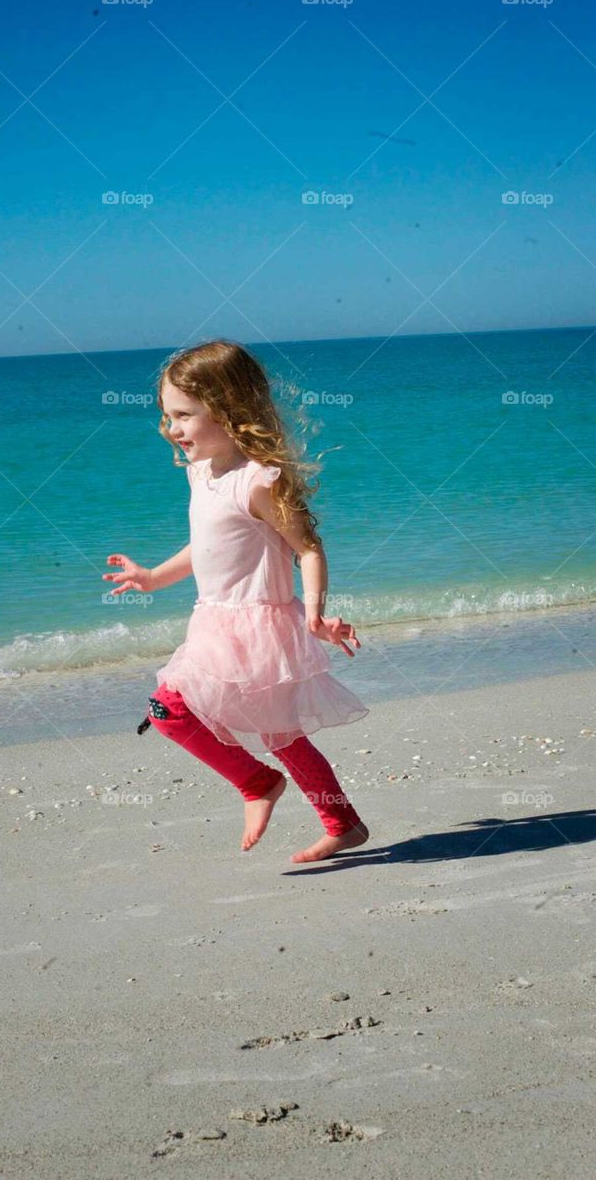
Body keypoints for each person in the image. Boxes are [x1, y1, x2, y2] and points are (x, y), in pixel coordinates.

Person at [104, 339, 370, 864]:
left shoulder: (258, 481)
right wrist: (155, 577)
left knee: (179, 711)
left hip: (259, 627)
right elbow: (208, 545)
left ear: (229, 411)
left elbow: (309, 548)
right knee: (246, 728)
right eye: (166, 415)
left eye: (184, 414)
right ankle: (333, 819)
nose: (172, 428)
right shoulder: (201, 471)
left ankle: (263, 787)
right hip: (214, 622)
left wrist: (314, 612)